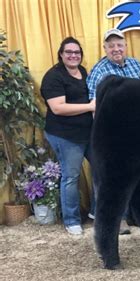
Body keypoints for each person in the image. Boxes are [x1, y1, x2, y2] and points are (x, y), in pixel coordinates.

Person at [87, 28, 140, 234]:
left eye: (119, 45)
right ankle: (117, 219)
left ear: (126, 46)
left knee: (138, 175)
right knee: (115, 178)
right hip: (115, 132)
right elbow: (95, 106)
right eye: (111, 46)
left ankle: (137, 216)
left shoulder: (136, 65)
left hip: (138, 130)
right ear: (105, 48)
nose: (116, 49)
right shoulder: (100, 71)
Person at [40, 37, 95, 235]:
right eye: (69, 52)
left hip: (88, 132)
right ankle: (71, 220)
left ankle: (96, 212)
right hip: (65, 135)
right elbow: (58, 108)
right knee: (71, 177)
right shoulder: (53, 77)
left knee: (102, 170)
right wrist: (90, 107)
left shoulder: (83, 72)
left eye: (77, 52)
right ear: (61, 54)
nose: (73, 55)